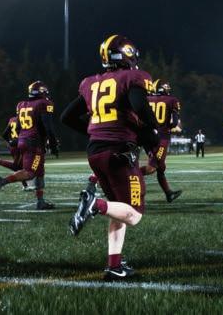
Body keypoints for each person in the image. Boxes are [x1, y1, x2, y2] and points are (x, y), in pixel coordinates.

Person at [61, 34, 159, 281]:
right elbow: (140, 107)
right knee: (134, 214)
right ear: (126, 55)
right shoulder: (131, 78)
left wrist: (94, 131)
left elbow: (67, 117)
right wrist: (153, 131)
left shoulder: (91, 83)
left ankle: (114, 266)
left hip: (95, 151)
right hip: (119, 151)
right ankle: (94, 205)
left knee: (119, 208)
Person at [0, 81, 59, 210]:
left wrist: (21, 140)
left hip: (24, 140)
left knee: (40, 172)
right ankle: (2, 181)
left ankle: (40, 202)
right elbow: (48, 126)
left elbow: (18, 127)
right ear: (41, 92)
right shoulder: (44, 103)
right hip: (34, 143)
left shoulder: (21, 105)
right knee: (30, 173)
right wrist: (53, 143)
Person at [141, 80, 182, 202]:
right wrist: (167, 127)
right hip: (161, 138)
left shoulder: (146, 99)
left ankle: (168, 193)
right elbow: (174, 122)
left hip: (147, 137)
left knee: (161, 167)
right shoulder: (171, 100)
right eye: (167, 87)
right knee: (152, 168)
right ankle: (124, 175)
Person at [0, 116, 29, 190]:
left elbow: (4, 135)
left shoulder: (12, 119)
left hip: (13, 146)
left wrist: (10, 142)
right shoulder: (24, 120)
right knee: (18, 167)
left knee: (21, 167)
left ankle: (25, 186)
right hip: (19, 146)